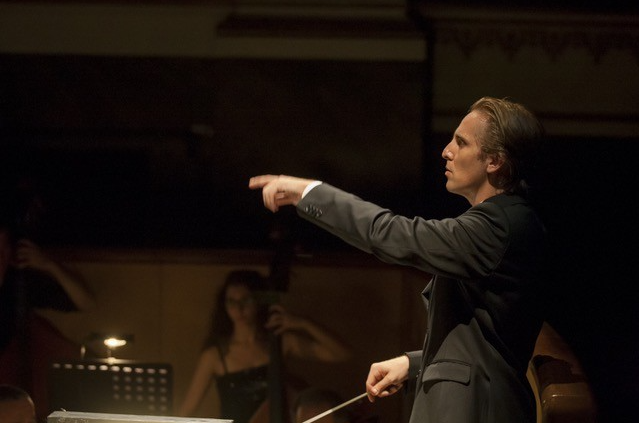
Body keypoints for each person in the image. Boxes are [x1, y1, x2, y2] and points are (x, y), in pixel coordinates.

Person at [249, 96, 547, 423]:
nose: (446, 151)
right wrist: (413, 364)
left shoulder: (498, 226)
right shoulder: (502, 221)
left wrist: (309, 193)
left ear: (495, 161)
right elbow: (480, 338)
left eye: (461, 143)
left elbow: (391, 233)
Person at [178, 270, 351, 423]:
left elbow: (341, 353)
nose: (239, 308)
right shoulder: (215, 355)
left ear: (259, 301)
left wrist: (303, 323)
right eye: (231, 301)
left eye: (245, 300)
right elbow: (187, 412)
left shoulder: (280, 342)